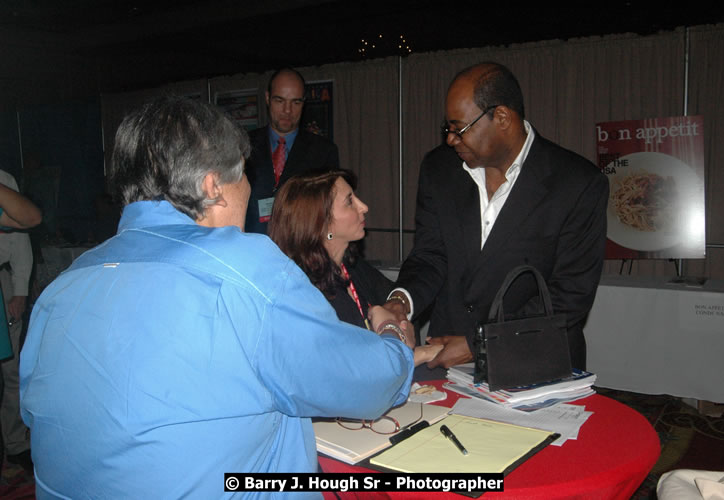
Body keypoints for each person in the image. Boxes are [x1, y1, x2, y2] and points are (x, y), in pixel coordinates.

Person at [19, 96, 414, 499]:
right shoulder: (248, 272)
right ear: (213, 187)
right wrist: (392, 335)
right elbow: (369, 383)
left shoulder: (62, 287)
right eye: (243, 176)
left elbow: (41, 416)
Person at [384, 62, 608, 375]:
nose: (450, 139)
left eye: (459, 128)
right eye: (447, 129)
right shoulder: (439, 170)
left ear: (502, 118)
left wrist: (479, 343)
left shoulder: (577, 183)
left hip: (533, 362)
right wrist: (401, 300)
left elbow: (569, 297)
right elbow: (429, 255)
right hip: (446, 358)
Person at [268, 170, 442, 365]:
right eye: (350, 201)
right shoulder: (303, 292)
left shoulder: (355, 268)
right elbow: (351, 369)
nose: (364, 207)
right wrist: (424, 353)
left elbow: (400, 318)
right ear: (321, 223)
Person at [245, 67, 340, 234]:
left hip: (301, 249)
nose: (287, 111)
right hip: (252, 248)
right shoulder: (242, 145)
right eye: (280, 101)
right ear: (267, 98)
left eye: (296, 102)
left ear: (304, 102)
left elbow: (328, 211)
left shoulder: (323, 152)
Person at [0, 169, 39, 474]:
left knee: (11, 371)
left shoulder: (4, 180)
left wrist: (20, 291)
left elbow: (25, 226)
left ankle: (15, 444)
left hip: (2, 281)